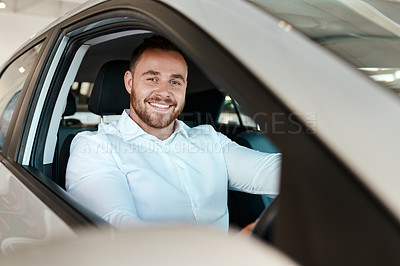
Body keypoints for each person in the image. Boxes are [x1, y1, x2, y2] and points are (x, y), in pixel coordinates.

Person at [66, 35, 281, 232]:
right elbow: (117, 228)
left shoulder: (209, 139)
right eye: (152, 79)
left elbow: (273, 172)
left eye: (175, 82)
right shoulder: (95, 147)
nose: (164, 93)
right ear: (130, 82)